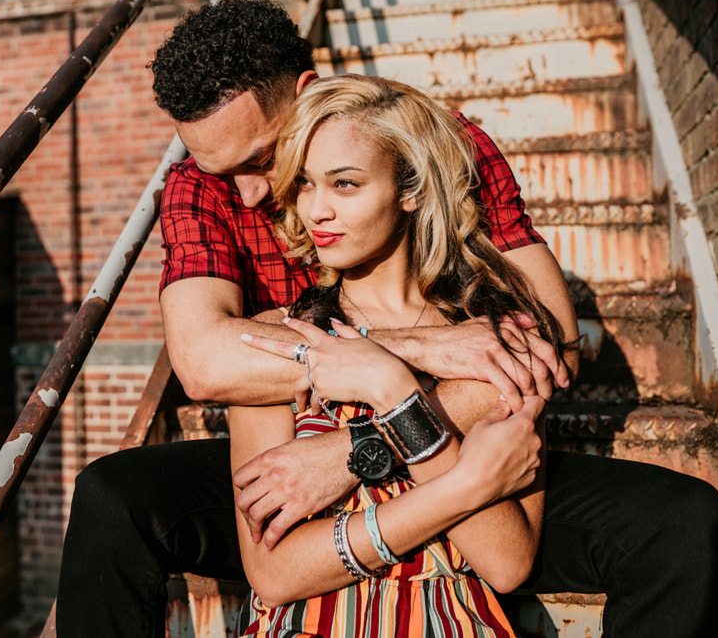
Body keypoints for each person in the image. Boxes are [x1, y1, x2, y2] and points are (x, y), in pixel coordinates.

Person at [56, 0, 718, 637]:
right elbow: (204, 363)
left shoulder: (430, 144)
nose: (252, 193)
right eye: (222, 170)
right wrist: (410, 349)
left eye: (261, 159)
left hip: (447, 452)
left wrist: (359, 452)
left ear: (305, 90)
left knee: (680, 522)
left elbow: (550, 344)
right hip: (294, 468)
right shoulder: (202, 186)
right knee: (113, 497)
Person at [230, 73, 563, 636]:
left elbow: (507, 563)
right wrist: (464, 486)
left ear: (409, 189)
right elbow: (275, 572)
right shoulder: (275, 340)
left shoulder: (486, 348)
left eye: (345, 184)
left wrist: (394, 392)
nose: (316, 211)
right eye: (305, 185)